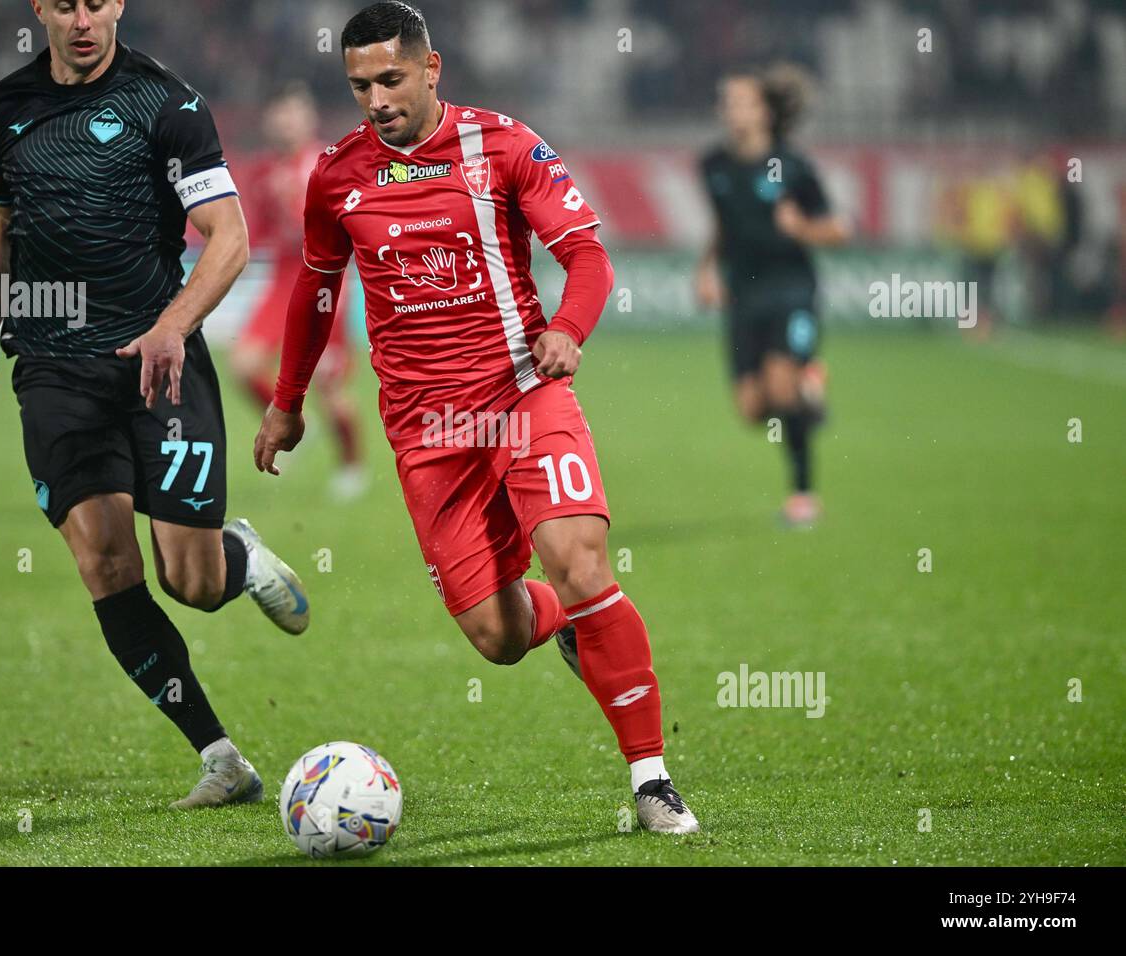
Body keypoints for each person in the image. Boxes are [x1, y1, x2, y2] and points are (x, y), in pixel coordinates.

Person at [254, 1, 698, 833]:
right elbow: (315, 292)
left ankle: (650, 778)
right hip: (428, 433)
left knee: (578, 558)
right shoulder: (336, 175)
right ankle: (571, 623)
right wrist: (287, 402)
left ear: (431, 68)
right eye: (359, 85)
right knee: (497, 637)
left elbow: (587, 256)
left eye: (391, 78)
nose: (377, 98)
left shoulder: (504, 146)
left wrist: (567, 330)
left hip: (523, 394)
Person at [0, 0, 310, 809]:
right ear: (40, 7)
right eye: (66, 2)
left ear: (118, 4)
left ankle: (239, 556)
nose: (83, 18)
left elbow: (227, 239)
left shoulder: (168, 103)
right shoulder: (2, 108)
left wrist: (170, 328)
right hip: (51, 366)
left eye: (98, 0)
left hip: (160, 364)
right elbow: (8, 226)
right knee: (106, 564)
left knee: (188, 579)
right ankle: (221, 757)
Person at [695, 65, 849, 527]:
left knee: (781, 387)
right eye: (727, 102)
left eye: (742, 101)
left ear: (764, 111)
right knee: (752, 409)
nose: (732, 110)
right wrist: (706, 270)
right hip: (744, 294)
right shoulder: (713, 165)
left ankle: (803, 495)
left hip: (791, 290)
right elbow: (723, 223)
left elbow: (838, 229)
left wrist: (801, 227)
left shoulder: (795, 166)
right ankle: (810, 391)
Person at [232, 82, 367, 501]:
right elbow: (264, 231)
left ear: (307, 117)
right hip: (283, 278)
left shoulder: (330, 163)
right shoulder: (265, 172)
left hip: (324, 278)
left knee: (329, 385)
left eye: (292, 113)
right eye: (279, 114)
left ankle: (352, 465)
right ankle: (292, 423)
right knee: (243, 364)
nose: (285, 121)